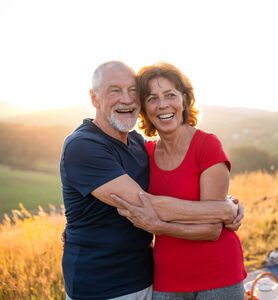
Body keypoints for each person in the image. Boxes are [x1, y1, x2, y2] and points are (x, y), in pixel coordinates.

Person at [60, 61, 243, 300]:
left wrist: (226, 206)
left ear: (184, 100)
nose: (126, 99)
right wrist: (223, 210)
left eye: (133, 91)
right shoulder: (83, 146)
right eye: (115, 90)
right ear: (95, 99)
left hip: (148, 279)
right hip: (103, 287)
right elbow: (144, 203)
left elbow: (204, 218)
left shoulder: (138, 145)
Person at [112, 62, 247, 300]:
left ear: (184, 100)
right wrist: (77, 231)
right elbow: (121, 194)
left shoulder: (207, 145)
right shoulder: (146, 154)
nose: (162, 104)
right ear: (144, 109)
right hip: (168, 275)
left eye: (170, 95)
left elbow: (212, 229)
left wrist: (160, 226)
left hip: (218, 271)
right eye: (152, 98)